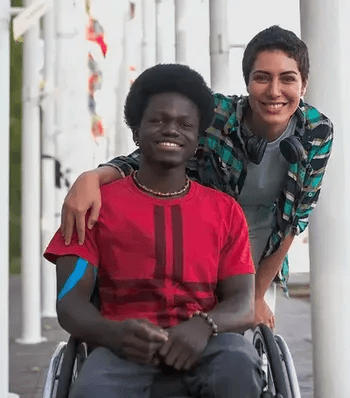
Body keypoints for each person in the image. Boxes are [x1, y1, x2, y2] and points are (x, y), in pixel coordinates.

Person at [60, 25, 334, 329]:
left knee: (244, 324)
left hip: (266, 233)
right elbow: (153, 154)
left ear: (304, 84)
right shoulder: (217, 115)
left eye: (288, 78)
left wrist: (256, 296)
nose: (274, 91)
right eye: (262, 77)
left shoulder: (316, 132)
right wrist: (95, 176)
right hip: (209, 225)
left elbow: (295, 219)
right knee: (197, 308)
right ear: (247, 82)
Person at [44, 64, 264, 398]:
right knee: (92, 390)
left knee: (239, 366)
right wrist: (113, 334)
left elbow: (243, 303)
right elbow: (69, 303)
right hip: (120, 349)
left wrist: (204, 326)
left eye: (185, 124)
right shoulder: (93, 207)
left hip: (206, 344)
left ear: (197, 139)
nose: (171, 130)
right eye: (158, 120)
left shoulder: (224, 211)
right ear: (136, 131)